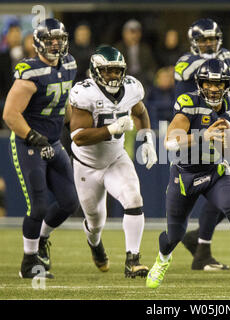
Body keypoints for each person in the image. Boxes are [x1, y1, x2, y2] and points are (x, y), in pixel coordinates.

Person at [146, 58, 230, 289]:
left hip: (215, 172)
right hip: (185, 175)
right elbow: (169, 142)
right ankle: (162, 260)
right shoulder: (189, 102)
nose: (213, 89)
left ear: (227, 84)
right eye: (208, 83)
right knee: (174, 235)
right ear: (199, 84)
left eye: (219, 84)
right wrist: (204, 136)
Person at [69, 45, 158, 278]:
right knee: (96, 221)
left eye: (118, 71)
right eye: (108, 71)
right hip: (87, 165)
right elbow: (78, 137)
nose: (114, 76)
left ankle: (133, 260)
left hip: (116, 158)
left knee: (133, 198)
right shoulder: (85, 93)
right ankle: (95, 244)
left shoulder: (130, 88)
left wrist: (147, 138)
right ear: (96, 71)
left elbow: (140, 111)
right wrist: (112, 128)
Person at [2, 18, 79, 279]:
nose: (55, 44)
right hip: (29, 143)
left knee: (69, 202)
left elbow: (64, 102)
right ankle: (28, 262)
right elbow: (10, 114)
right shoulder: (29, 72)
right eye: (49, 40)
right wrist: (32, 136)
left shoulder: (69, 64)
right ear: (38, 44)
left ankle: (42, 238)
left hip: (54, 141)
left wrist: (73, 125)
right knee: (38, 206)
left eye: (58, 39)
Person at [174, 18, 230, 271]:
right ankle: (199, 246)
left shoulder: (225, 55)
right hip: (196, 132)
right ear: (194, 42)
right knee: (202, 190)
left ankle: (199, 240)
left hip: (221, 124)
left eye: (212, 39)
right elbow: (184, 73)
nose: (208, 44)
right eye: (203, 40)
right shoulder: (187, 61)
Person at [114, 19, 157, 90]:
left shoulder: (145, 48)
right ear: (124, 33)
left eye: (137, 32)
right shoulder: (118, 48)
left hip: (142, 78)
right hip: (125, 78)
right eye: (131, 32)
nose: (134, 35)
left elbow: (152, 66)